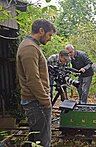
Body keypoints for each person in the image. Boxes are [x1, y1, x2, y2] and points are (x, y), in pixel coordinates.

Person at [16, 19, 56, 147]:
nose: (50, 39)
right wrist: (45, 101)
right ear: (41, 31)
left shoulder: (32, 46)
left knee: (34, 140)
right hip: (36, 102)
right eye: (49, 35)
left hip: (36, 101)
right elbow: (33, 79)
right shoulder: (29, 47)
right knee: (43, 141)